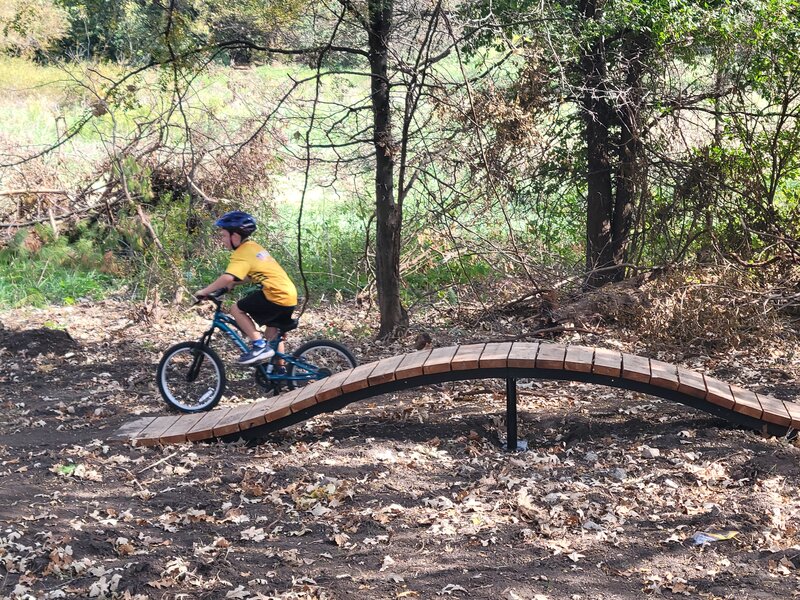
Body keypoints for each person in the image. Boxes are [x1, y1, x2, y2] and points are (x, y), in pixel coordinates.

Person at [194, 210, 298, 365]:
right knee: (272, 335)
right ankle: (279, 373)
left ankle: (258, 345)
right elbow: (251, 274)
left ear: (235, 236)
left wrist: (204, 291)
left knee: (236, 309)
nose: (222, 240)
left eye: (223, 235)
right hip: (288, 295)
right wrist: (234, 283)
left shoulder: (242, 253)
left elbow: (228, 276)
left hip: (275, 295)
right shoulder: (253, 247)